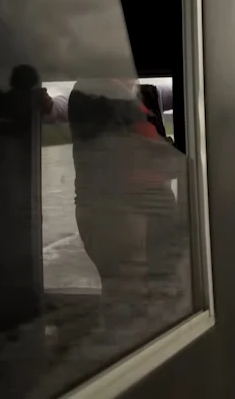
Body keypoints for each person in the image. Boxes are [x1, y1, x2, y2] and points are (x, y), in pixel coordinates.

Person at [43, 79, 183, 325]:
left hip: (119, 211)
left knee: (139, 291)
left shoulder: (144, 93)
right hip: (120, 211)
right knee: (132, 293)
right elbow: (164, 159)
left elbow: (187, 88)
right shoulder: (97, 91)